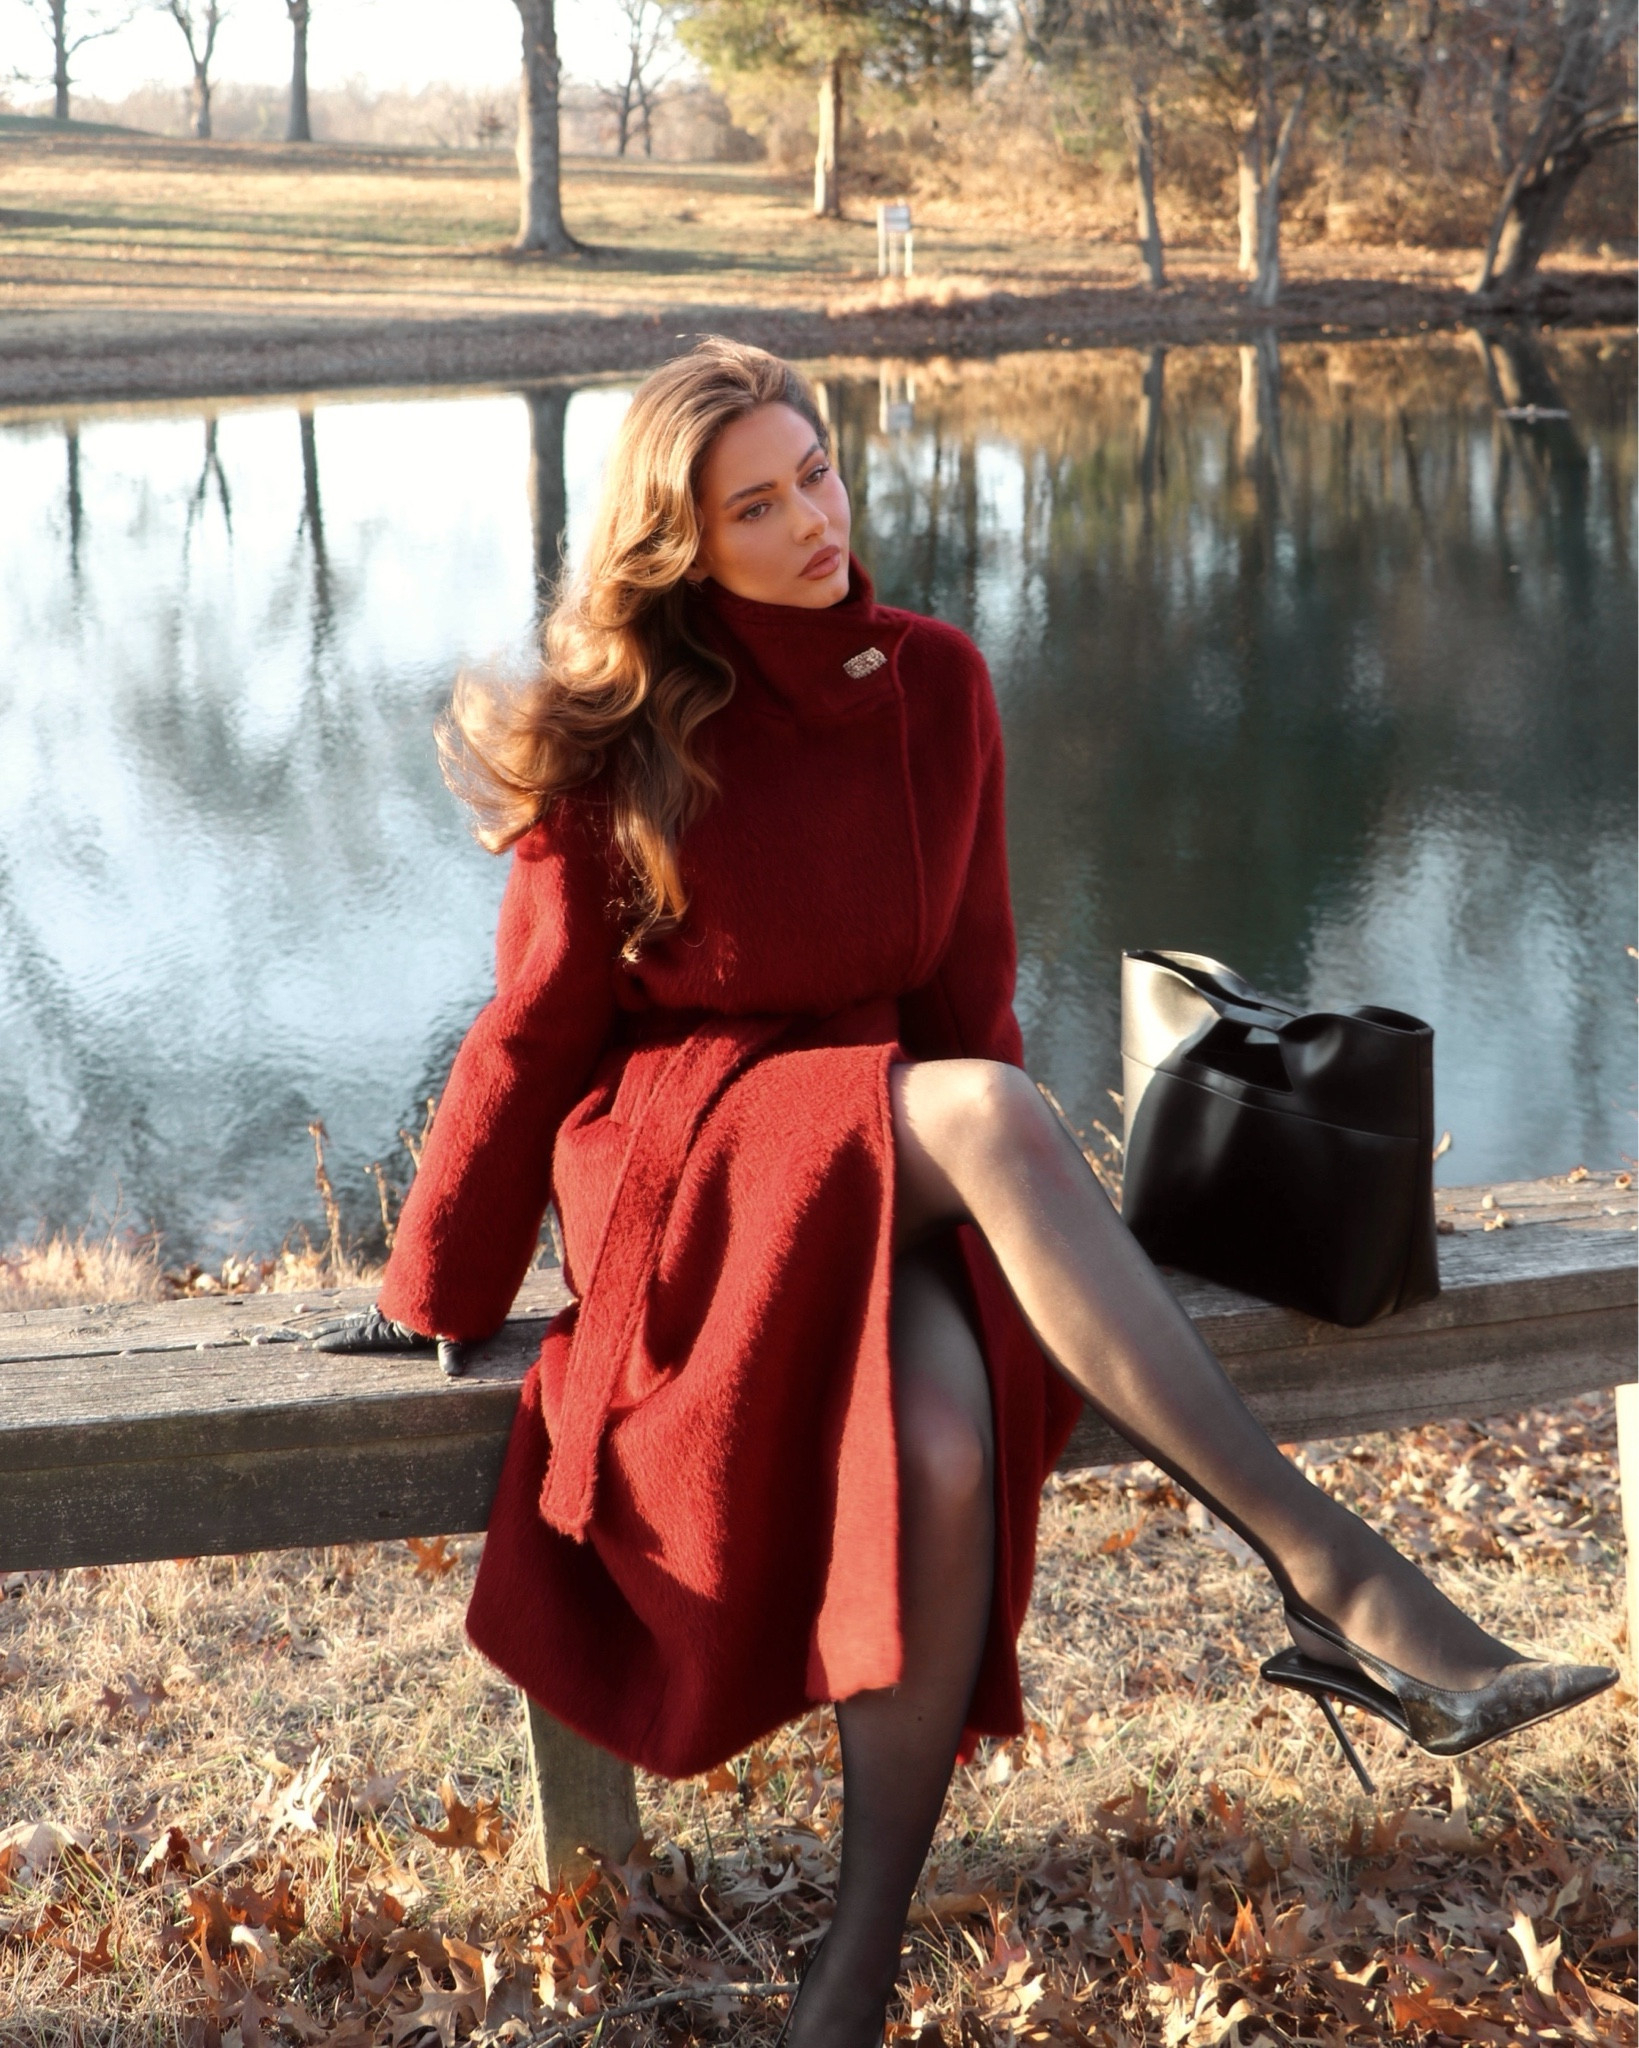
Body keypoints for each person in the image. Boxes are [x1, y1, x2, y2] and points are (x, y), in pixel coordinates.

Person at [316, 339, 1614, 2048]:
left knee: (938, 1450)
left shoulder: (934, 684)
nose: (812, 521)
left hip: (891, 1140)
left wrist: (1018, 1250)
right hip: (693, 1156)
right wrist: (437, 1287)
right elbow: (536, 1026)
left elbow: (968, 995)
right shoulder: (616, 734)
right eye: (757, 504)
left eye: (821, 474)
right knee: (997, 1118)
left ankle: (850, 1975)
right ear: (680, 542)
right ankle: (1337, 1576)